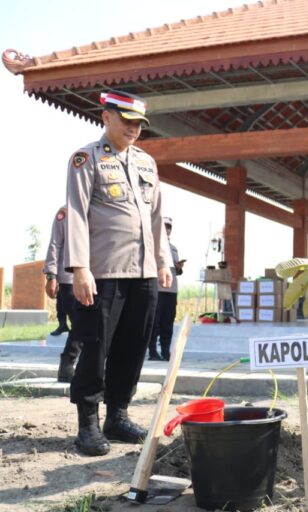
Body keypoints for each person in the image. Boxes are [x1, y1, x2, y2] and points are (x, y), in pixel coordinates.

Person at [64, 89, 172, 456]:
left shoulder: (146, 163)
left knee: (133, 347)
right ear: (106, 116)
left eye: (139, 124)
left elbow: (156, 217)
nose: (134, 129)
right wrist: (79, 268)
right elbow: (76, 213)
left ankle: (118, 415)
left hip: (142, 274)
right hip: (102, 272)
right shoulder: (86, 159)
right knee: (95, 348)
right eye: (126, 121)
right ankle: (88, 423)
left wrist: (163, 262)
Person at [43, 206, 82, 383]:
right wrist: (51, 275)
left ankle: (79, 367)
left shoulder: (98, 207)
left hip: (97, 278)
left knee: (90, 324)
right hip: (69, 279)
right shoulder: (65, 212)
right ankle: (67, 365)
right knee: (80, 323)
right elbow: (55, 244)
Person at [148, 217, 184, 360]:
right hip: (158, 288)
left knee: (168, 322)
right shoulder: (152, 245)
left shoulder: (174, 248)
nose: (167, 230)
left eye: (169, 227)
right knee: (154, 323)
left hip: (171, 290)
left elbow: (178, 272)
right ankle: (152, 351)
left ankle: (165, 351)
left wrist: (179, 267)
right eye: (165, 227)